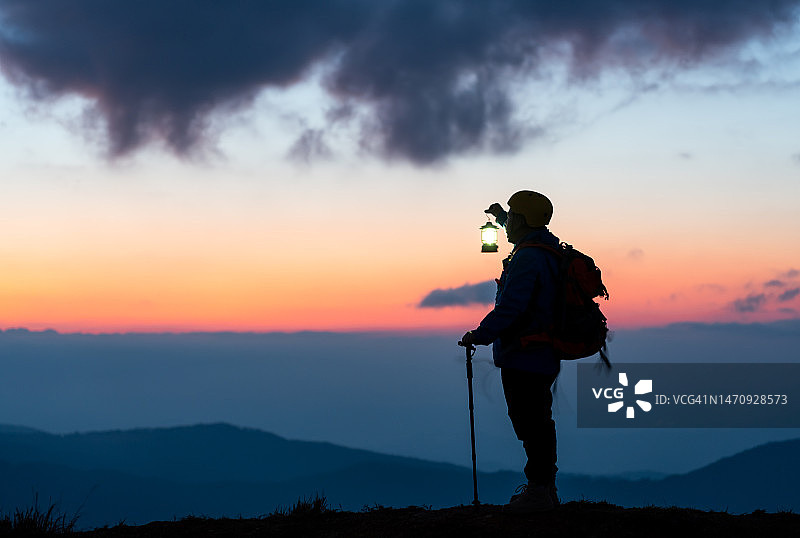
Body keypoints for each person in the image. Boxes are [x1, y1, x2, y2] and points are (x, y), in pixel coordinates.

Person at [460, 190, 561, 513]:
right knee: (537, 419)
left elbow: (512, 307)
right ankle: (545, 488)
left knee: (530, 421)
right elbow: (524, 230)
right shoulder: (545, 248)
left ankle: (539, 491)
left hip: (525, 353)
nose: (508, 223)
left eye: (513, 217)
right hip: (542, 352)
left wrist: (480, 334)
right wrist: (502, 217)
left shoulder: (528, 257)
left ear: (524, 220)